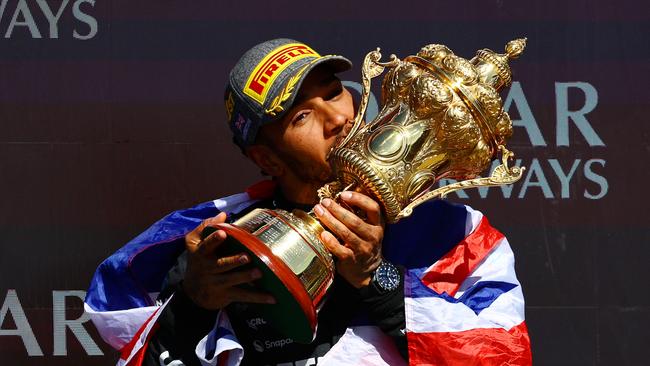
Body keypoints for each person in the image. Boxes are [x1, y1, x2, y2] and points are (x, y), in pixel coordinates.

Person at [85, 38, 532, 366]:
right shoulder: (226, 251)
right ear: (266, 157)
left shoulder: (459, 238)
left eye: (335, 91)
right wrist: (193, 304)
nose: (339, 117)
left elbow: (503, 357)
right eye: (302, 115)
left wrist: (378, 279)